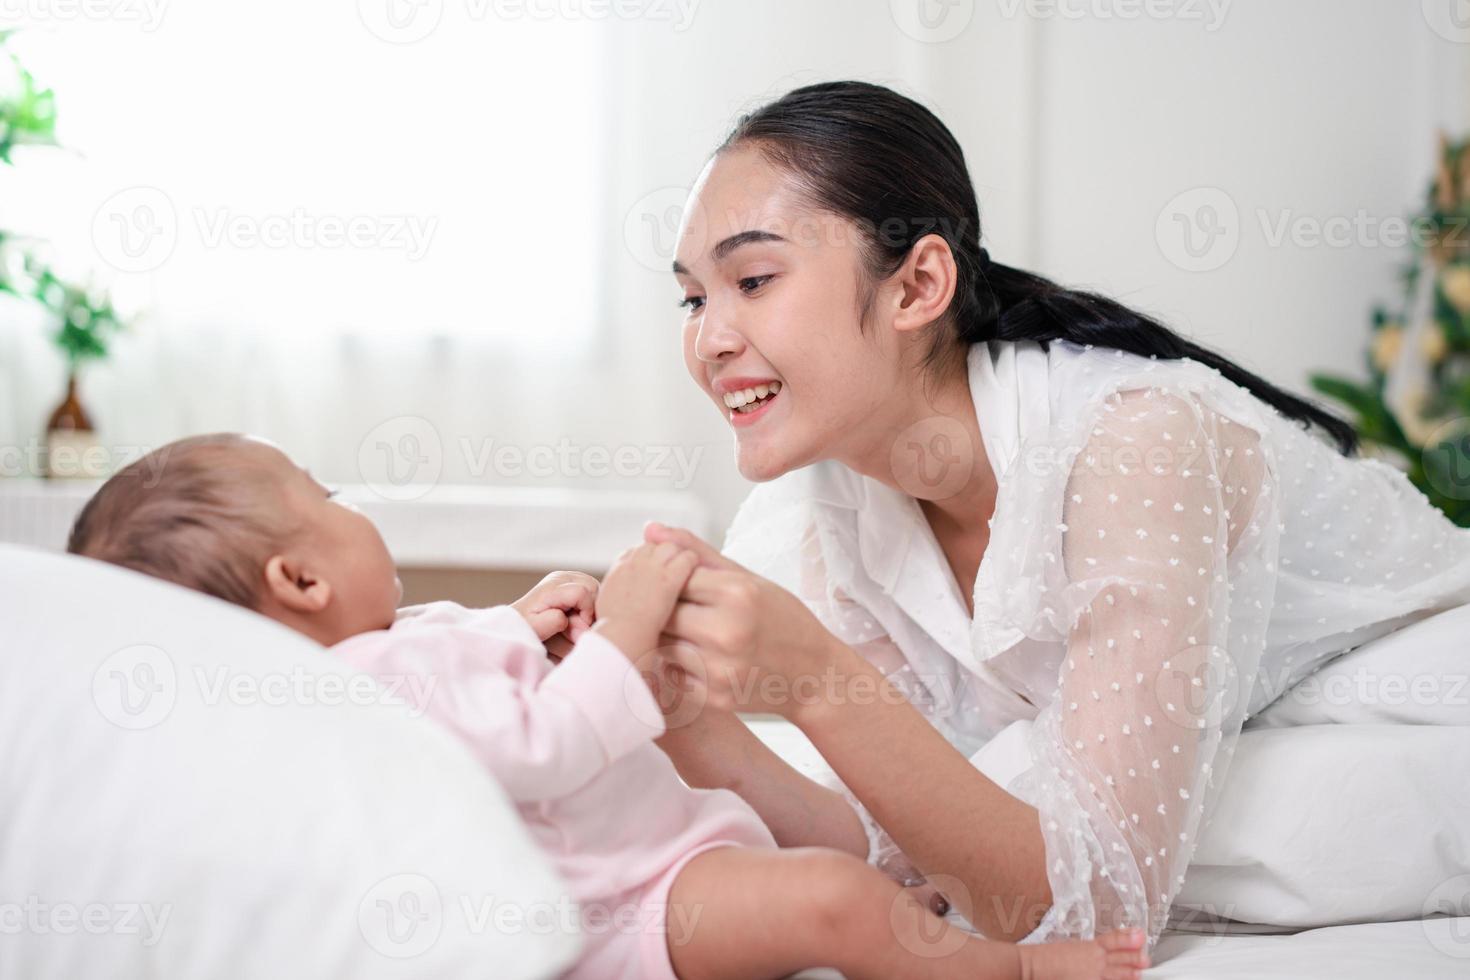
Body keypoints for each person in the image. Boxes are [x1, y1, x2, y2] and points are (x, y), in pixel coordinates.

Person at [648, 79, 1470, 951]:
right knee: (1019, 790)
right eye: (695, 299)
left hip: (1416, 701)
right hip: (1243, 716)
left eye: (754, 279)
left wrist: (816, 679)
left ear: (918, 284)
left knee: (1228, 807)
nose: (710, 340)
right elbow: (903, 849)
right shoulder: (831, 512)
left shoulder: (1133, 445)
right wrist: (684, 718)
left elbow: (1099, 917)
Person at [66, 433, 1151, 980]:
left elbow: (478, 671)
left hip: (664, 846)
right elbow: (539, 746)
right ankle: (1011, 967)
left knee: (844, 858)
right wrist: (625, 631)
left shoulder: (402, 645)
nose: (356, 508)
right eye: (327, 498)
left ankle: (939, 908)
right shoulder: (362, 685)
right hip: (624, 909)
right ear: (300, 581)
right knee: (833, 899)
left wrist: (537, 615)